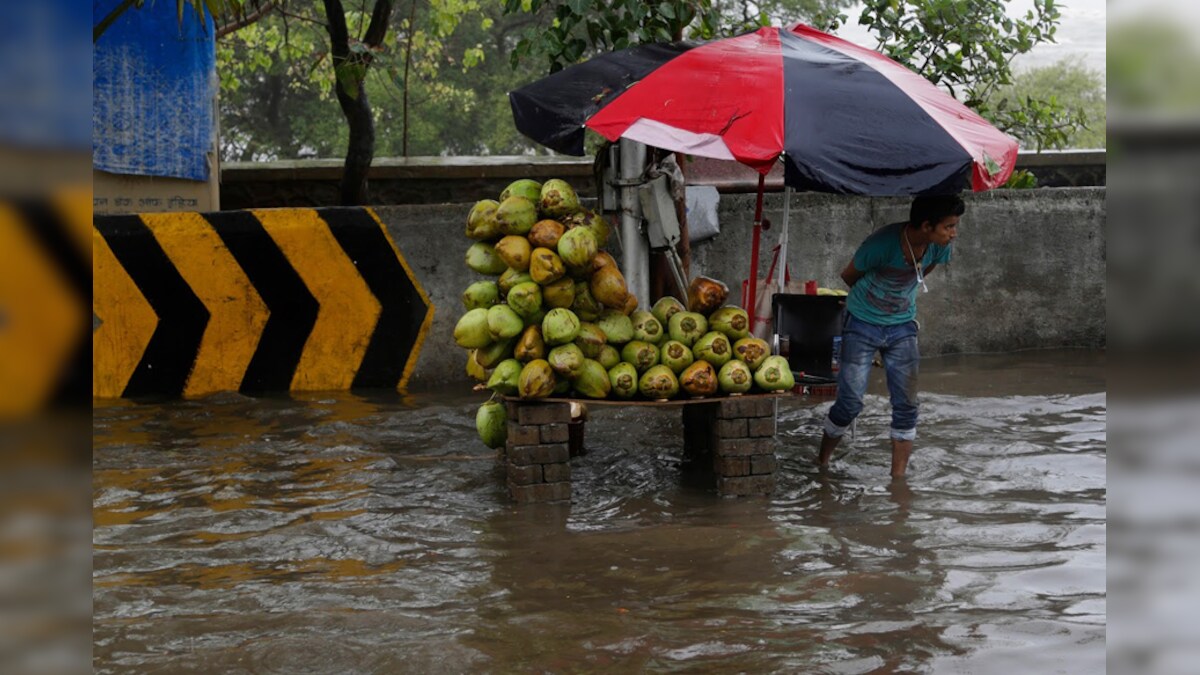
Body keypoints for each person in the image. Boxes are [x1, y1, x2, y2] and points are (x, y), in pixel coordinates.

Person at [818, 194, 964, 477]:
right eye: (948, 226)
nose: (953, 233)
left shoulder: (938, 247)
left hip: (902, 326)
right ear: (926, 225)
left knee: (907, 405)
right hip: (861, 322)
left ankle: (898, 483)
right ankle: (822, 462)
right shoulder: (881, 244)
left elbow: (923, 272)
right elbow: (849, 276)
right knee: (850, 403)